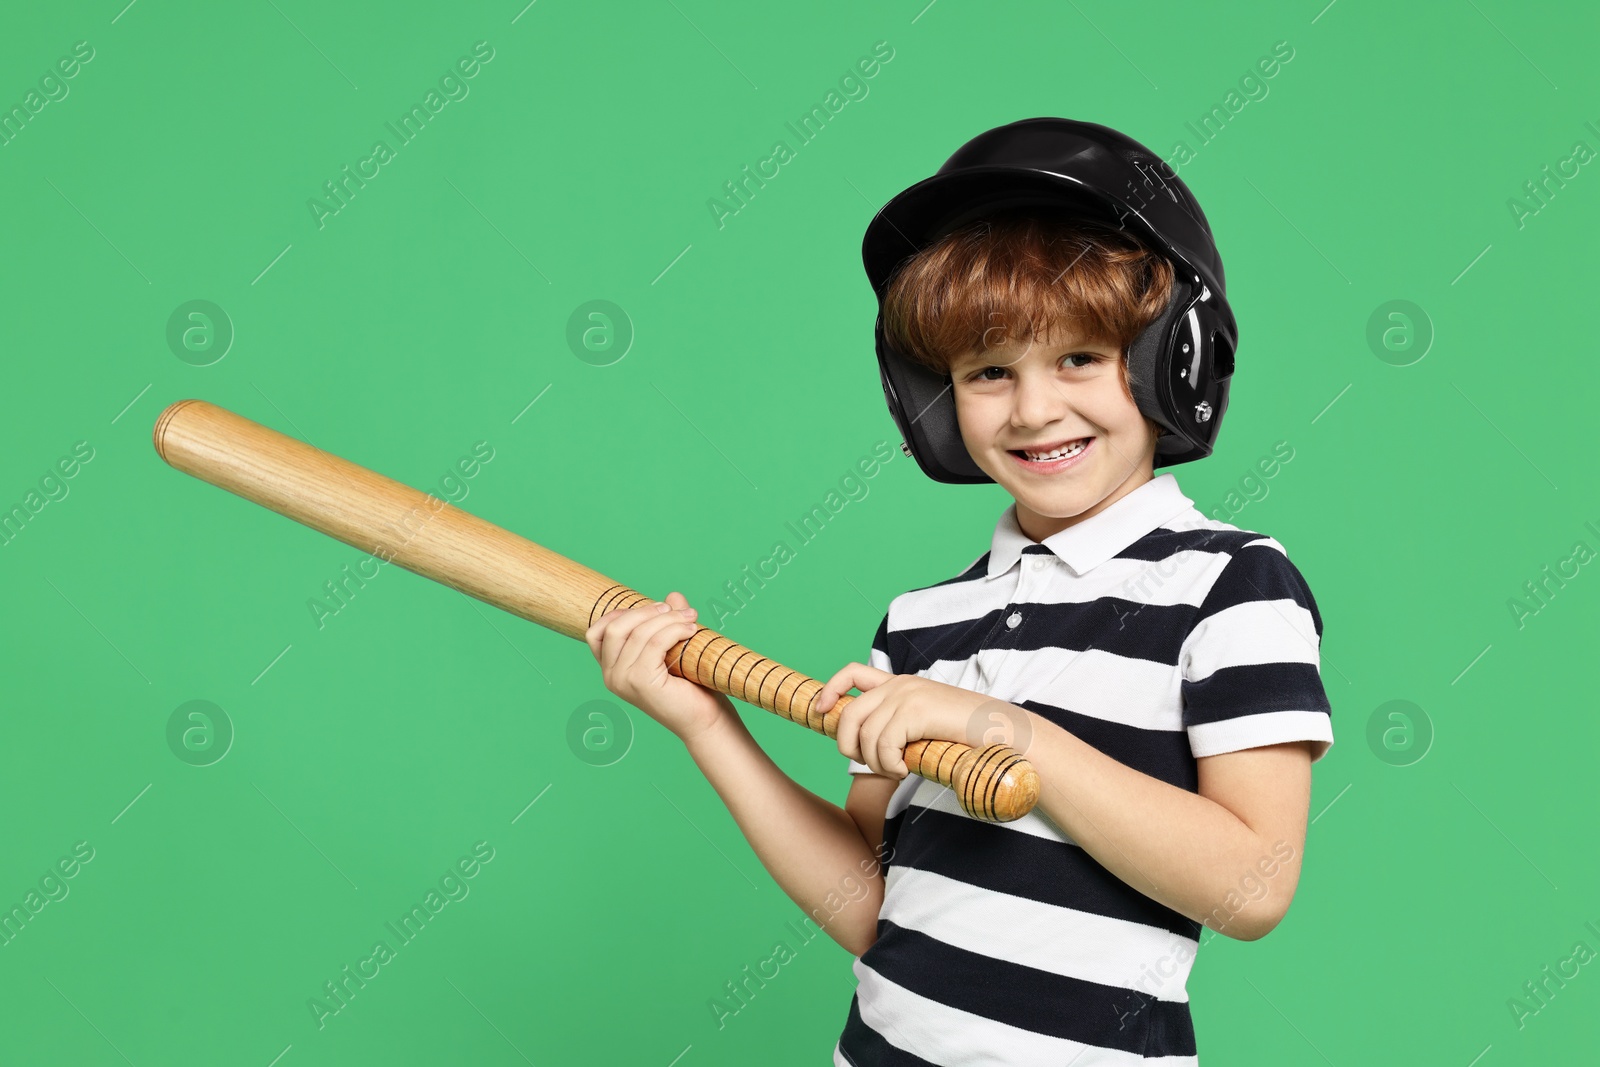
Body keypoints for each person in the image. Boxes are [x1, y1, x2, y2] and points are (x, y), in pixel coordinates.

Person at [585, 117, 1334, 1066]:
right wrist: (705, 724)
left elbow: (1252, 888)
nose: (1032, 409)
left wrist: (1007, 732)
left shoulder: (1231, 586)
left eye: (1079, 357)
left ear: (1170, 359)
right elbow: (869, 907)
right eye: (988, 371)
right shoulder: (921, 625)